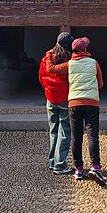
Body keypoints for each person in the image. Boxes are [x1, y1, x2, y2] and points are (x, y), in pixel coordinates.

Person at [47, 36, 105, 184]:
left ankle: (78, 170)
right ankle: (95, 167)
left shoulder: (69, 64)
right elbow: (100, 84)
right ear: (85, 49)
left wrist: (49, 55)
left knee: (76, 137)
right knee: (92, 136)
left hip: (73, 103)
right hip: (91, 103)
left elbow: (51, 69)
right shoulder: (94, 63)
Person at [38, 32, 74, 175]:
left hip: (50, 98)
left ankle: (52, 162)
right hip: (64, 98)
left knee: (53, 131)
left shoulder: (46, 59)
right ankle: (60, 164)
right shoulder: (69, 61)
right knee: (65, 131)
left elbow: (41, 78)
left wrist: (48, 91)